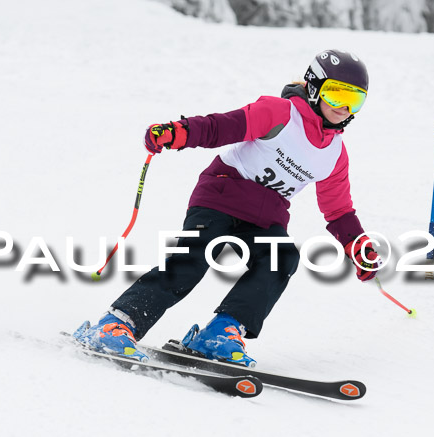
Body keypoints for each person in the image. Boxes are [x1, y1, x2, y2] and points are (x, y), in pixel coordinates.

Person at [73, 49, 381, 367]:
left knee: (281, 257)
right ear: (314, 87)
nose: (344, 107)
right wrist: (177, 133)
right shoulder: (279, 113)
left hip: (265, 217)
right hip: (221, 195)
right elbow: (222, 127)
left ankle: (221, 332)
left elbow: (339, 210)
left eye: (354, 100)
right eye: (336, 94)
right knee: (191, 261)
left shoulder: (334, 154)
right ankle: (117, 324)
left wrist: (357, 246)